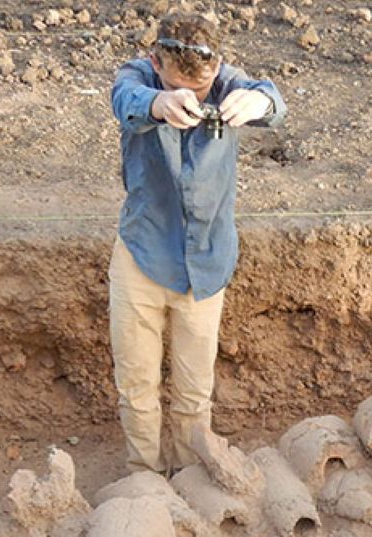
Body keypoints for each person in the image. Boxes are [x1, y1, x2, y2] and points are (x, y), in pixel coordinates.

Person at [107, 14, 287, 475]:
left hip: (205, 261)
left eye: (202, 90)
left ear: (217, 67)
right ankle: (144, 478)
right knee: (137, 387)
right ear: (156, 63)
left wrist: (259, 102)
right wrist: (160, 103)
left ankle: (189, 479)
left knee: (193, 391)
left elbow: (275, 103)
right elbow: (126, 100)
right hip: (143, 256)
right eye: (177, 87)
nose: (195, 98)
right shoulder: (138, 78)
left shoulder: (229, 83)